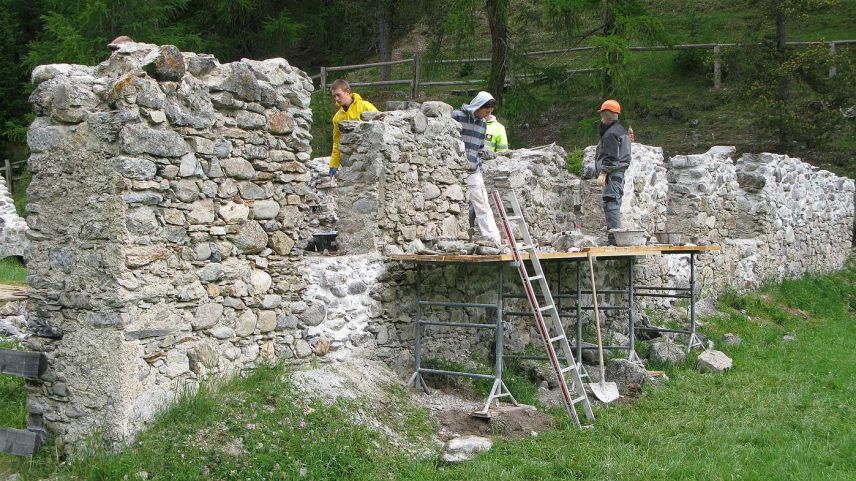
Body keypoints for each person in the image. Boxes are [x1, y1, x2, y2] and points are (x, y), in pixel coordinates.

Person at [451, 91, 503, 246]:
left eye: (490, 113)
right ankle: (456, 240)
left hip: (474, 169)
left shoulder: (482, 124)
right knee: (455, 205)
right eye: (486, 111)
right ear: (478, 106)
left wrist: (480, 162)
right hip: (455, 170)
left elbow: (480, 148)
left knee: (482, 203)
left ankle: (494, 239)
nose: (487, 115)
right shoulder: (456, 116)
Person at [594, 99, 632, 245]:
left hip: (613, 174)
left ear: (606, 115)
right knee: (613, 203)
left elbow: (611, 157)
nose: (601, 118)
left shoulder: (611, 134)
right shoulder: (620, 131)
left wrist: (603, 172)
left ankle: (615, 241)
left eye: (602, 115)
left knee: (611, 204)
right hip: (618, 174)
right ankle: (614, 239)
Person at [328, 79, 378, 177]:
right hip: (351, 161)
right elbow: (337, 142)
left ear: (347, 92)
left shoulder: (365, 106)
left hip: (371, 156)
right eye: (334, 96)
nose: (336, 99)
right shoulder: (337, 117)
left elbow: (381, 126)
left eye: (338, 95)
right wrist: (333, 164)